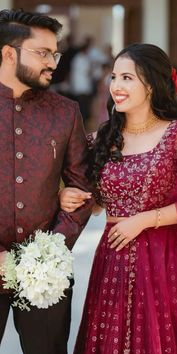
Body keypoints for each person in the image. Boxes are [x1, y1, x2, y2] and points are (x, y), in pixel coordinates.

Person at [60, 43, 177, 354]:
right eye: (113, 77)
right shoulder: (103, 138)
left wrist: (144, 220)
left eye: (127, 78)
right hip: (113, 260)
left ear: (150, 85)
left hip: (162, 263)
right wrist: (68, 194)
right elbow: (95, 200)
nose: (116, 86)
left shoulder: (176, 135)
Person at [0, 8, 93, 354]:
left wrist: (51, 250)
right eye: (42, 53)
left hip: (46, 276)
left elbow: (83, 187)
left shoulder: (65, 112)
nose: (53, 62)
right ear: (9, 53)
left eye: (55, 53)